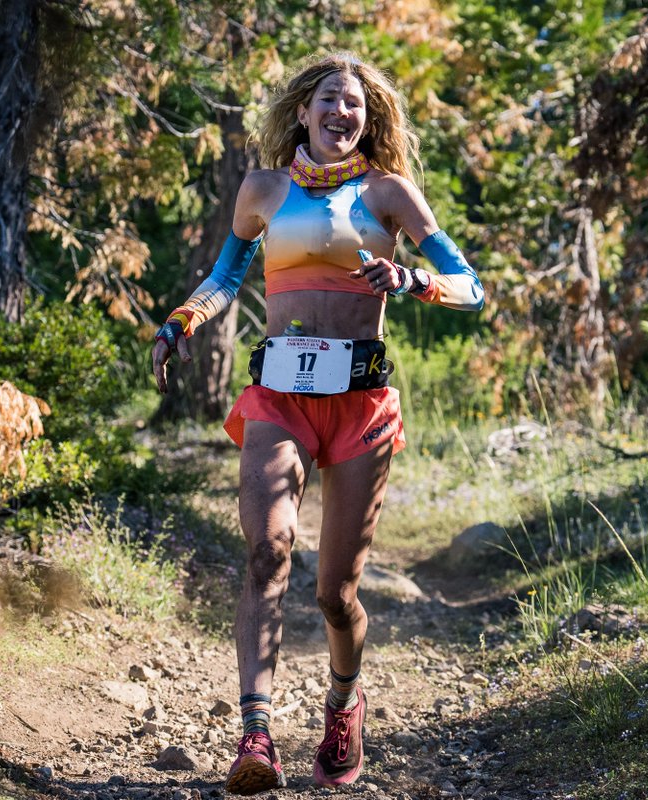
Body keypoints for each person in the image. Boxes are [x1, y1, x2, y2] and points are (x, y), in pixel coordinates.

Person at [151, 51, 484, 795]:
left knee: (336, 593)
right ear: (302, 111)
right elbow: (225, 277)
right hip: (278, 397)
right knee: (268, 552)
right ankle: (256, 734)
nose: (343, 113)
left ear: (369, 120)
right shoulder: (263, 190)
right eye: (329, 99)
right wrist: (180, 322)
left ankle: (342, 703)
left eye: (356, 105)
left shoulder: (389, 191)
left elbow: (471, 288)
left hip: (361, 404)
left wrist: (412, 279)